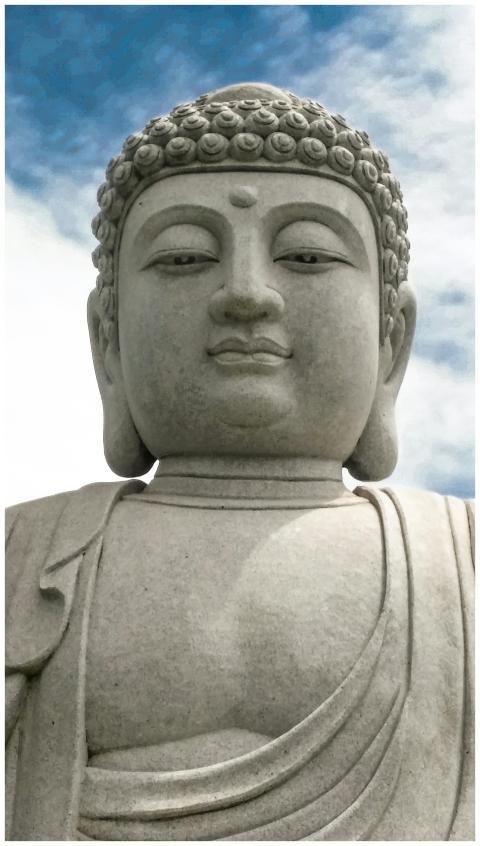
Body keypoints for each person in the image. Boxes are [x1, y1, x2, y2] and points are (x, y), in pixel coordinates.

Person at [5, 82, 474, 841]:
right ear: (107, 342)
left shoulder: (465, 564)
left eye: (309, 255)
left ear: (393, 342)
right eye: (184, 256)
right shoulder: (21, 556)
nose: (248, 294)